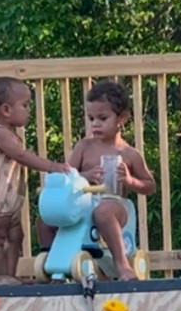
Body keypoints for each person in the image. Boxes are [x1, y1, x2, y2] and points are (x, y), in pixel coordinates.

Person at [47, 78, 156, 280]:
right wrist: (84, 176)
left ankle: (122, 264)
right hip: (83, 203)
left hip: (114, 204)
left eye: (102, 118)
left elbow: (150, 186)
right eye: (90, 118)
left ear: (121, 118)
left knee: (103, 210)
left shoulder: (129, 154)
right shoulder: (83, 147)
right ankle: (52, 261)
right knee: (48, 216)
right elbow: (68, 176)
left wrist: (130, 181)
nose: (95, 124)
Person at [0, 77, 65, 280]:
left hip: (7, 200)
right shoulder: (0, 134)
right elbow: (21, 156)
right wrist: (52, 167)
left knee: (16, 236)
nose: (28, 109)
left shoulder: (10, 133)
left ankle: (10, 277)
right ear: (6, 110)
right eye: (25, 105)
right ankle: (1, 278)